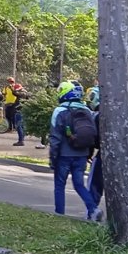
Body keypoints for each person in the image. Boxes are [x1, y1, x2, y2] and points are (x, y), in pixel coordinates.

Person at [49, 81, 102, 221]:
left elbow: (55, 137)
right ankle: (93, 209)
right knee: (79, 184)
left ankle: (59, 215)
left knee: (59, 185)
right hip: (82, 155)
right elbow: (91, 134)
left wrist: (53, 158)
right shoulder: (86, 110)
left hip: (63, 155)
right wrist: (88, 154)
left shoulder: (59, 111)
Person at [3, 76, 29, 145]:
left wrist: (12, 89)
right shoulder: (26, 93)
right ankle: (22, 139)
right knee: (21, 125)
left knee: (18, 125)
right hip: (24, 110)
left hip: (19, 110)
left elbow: (15, 93)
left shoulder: (21, 93)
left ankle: (21, 141)